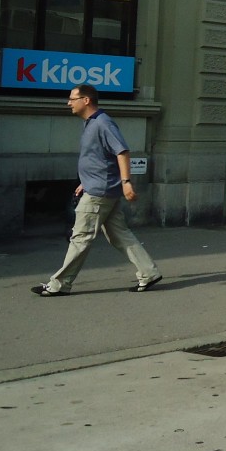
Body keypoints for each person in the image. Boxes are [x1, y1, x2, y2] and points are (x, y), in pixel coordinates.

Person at [31, 85, 162, 296]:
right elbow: (100, 158)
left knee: (80, 238)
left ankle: (60, 284)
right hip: (99, 187)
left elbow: (122, 151)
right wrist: (86, 180)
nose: (68, 103)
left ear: (86, 100)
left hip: (99, 194)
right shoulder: (91, 123)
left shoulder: (102, 123)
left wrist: (126, 181)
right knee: (119, 234)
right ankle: (149, 272)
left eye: (72, 98)